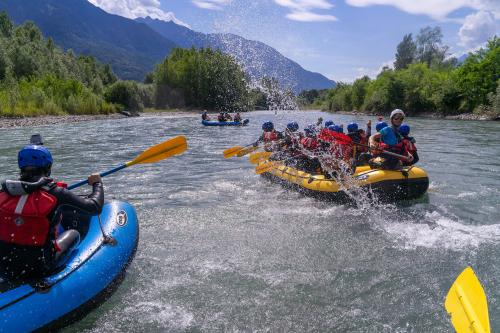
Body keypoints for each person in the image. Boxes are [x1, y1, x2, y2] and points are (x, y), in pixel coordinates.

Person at [0, 140, 104, 280]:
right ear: (48, 168)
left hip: (4, 267)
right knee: (73, 233)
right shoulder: (57, 193)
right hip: (38, 267)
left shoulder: (5, 192)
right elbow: (95, 207)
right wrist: (97, 183)